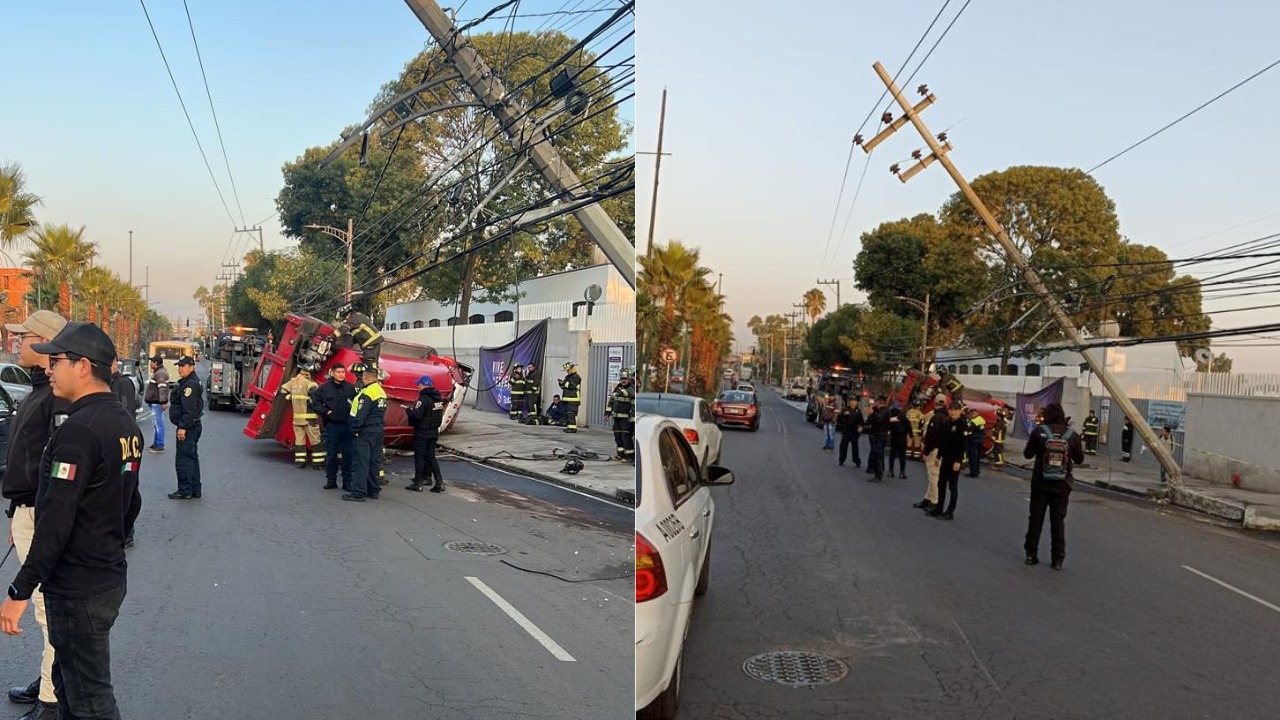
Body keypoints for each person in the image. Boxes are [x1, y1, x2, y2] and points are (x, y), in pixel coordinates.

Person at [1, 321, 143, 720]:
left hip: (78, 586)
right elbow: (131, 502)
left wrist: (19, 591)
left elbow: (56, 520)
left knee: (91, 701)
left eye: (57, 360)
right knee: (70, 685)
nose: (49, 368)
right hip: (105, 577)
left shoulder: (79, 431)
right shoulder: (122, 423)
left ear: (83, 366)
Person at [1, 310, 68, 717]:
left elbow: (57, 473)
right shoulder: (41, 390)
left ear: (43, 343)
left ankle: (51, 698)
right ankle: (49, 678)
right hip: (27, 513)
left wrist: (36, 519)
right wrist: (17, 514)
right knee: (47, 610)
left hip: (42, 517)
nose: (15, 341)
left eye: (23, 336)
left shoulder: (56, 397)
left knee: (47, 609)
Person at [1023, 402, 1084, 570]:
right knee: (1058, 522)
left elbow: (1027, 454)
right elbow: (1080, 459)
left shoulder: (1039, 431)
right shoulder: (1072, 434)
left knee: (1035, 519)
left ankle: (1031, 554)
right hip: (1062, 484)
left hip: (1040, 483)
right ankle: (1057, 560)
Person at [343, 362, 386, 502]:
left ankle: (358, 492)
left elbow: (361, 414)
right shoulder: (380, 391)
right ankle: (374, 490)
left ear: (365, 378)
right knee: (374, 462)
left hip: (365, 431)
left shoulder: (367, 393)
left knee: (361, 462)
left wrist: (355, 429)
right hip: (378, 430)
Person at [314, 362, 357, 491]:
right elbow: (315, 403)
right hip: (332, 426)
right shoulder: (324, 388)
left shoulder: (351, 388)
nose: (341, 374)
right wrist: (325, 411)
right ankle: (331, 480)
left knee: (347, 455)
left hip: (347, 426)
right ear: (332, 373)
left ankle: (347, 482)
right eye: (338, 372)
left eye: (343, 372)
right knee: (331, 454)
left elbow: (357, 405)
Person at [167, 356, 204, 500]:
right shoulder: (191, 382)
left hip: (188, 427)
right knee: (192, 458)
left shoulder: (189, 385)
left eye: (183, 366)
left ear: (192, 367)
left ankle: (185, 490)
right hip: (192, 426)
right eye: (179, 366)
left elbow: (189, 410)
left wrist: (182, 427)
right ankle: (195, 489)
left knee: (184, 459)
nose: (180, 369)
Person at [405, 375, 445, 493]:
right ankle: (439, 481)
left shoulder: (423, 399)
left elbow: (416, 416)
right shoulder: (438, 398)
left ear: (423, 385)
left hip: (422, 432)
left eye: (418, 384)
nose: (417, 387)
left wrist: (408, 410)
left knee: (420, 457)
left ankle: (418, 483)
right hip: (434, 431)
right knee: (431, 456)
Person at [929, 402, 968, 520]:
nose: (953, 412)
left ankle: (950, 512)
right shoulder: (948, 422)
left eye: (956, 409)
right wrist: (938, 456)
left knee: (952, 486)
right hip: (945, 457)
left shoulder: (962, 424)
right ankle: (939, 508)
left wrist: (958, 461)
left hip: (954, 459)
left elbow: (964, 444)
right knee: (941, 484)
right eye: (951, 409)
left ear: (960, 411)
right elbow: (943, 441)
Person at [281, 364, 324, 469]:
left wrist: (290, 397)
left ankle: (300, 462)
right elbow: (316, 399)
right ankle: (318, 464)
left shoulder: (293, 381)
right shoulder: (311, 384)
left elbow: (282, 392)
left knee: (299, 441)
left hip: (297, 419)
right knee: (316, 441)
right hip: (309, 418)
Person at [915, 400, 951, 512]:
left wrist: (926, 452)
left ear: (936, 405)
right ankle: (927, 499)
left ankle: (934, 502)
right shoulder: (947, 418)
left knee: (933, 477)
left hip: (934, 450)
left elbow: (932, 436)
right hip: (941, 450)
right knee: (934, 476)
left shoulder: (936, 418)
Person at [334, 302, 384, 366]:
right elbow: (357, 335)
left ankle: (373, 375)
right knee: (373, 364)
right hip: (373, 342)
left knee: (370, 365)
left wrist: (331, 335)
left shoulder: (354, 318)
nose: (345, 319)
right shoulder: (358, 316)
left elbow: (343, 328)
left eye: (345, 316)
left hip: (371, 343)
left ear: (349, 313)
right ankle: (375, 373)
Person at [605, 369, 636, 462]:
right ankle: (621, 455)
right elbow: (612, 401)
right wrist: (607, 413)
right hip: (617, 417)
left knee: (626, 437)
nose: (623, 380)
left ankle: (630, 456)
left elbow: (630, 394)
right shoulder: (618, 387)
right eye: (622, 378)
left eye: (625, 378)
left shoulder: (631, 387)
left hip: (626, 418)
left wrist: (620, 392)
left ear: (629, 379)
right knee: (617, 436)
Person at [143, 354, 170, 453]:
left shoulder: (161, 373)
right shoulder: (158, 372)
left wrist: (162, 402)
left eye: (152, 361)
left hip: (157, 403)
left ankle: (159, 445)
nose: (150, 363)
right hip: (155, 402)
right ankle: (156, 444)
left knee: (158, 425)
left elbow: (162, 388)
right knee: (156, 424)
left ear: (156, 363)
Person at [864, 397, 889, 482]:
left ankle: (878, 476)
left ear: (879, 402)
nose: (874, 404)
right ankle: (875, 471)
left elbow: (878, 419)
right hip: (876, 435)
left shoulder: (884, 411)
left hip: (880, 435)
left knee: (878, 456)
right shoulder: (879, 410)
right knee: (876, 455)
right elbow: (871, 420)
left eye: (875, 403)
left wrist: (873, 413)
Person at [837, 399, 863, 468]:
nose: (853, 403)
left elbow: (861, 422)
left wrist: (861, 427)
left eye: (854, 401)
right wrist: (843, 414)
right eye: (851, 401)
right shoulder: (846, 409)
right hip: (846, 431)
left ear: (857, 403)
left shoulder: (858, 411)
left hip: (854, 432)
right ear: (849, 402)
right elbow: (839, 418)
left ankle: (857, 461)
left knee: (855, 448)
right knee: (843, 446)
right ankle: (841, 460)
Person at [558, 362, 581, 433]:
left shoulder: (576, 377)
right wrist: (561, 384)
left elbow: (572, 386)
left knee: (571, 414)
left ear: (572, 369)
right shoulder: (568, 377)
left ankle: (572, 428)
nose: (567, 372)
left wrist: (564, 383)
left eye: (568, 370)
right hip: (567, 399)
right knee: (568, 414)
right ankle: (569, 427)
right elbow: (564, 387)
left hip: (573, 399)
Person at [888, 407, 910, 479]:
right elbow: (909, 426)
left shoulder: (891, 417)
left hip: (894, 437)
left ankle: (890, 471)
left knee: (892, 455)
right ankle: (902, 473)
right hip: (902, 438)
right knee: (902, 456)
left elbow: (888, 427)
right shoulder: (903, 416)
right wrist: (910, 435)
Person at [965, 408, 987, 477]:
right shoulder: (982, 419)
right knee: (977, 457)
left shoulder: (973, 422)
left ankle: (973, 472)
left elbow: (969, 430)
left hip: (973, 440)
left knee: (973, 457)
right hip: (981, 440)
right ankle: (977, 470)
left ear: (973, 413)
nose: (970, 415)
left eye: (971, 414)